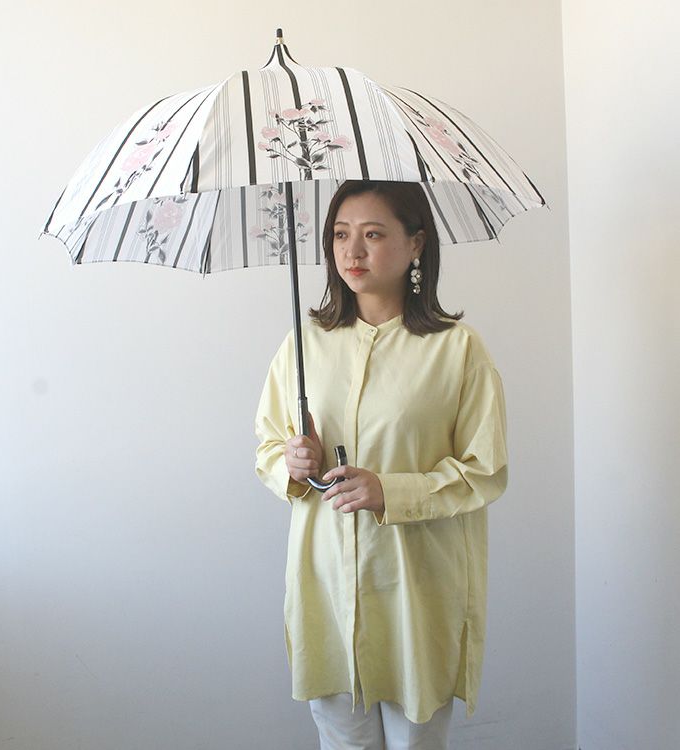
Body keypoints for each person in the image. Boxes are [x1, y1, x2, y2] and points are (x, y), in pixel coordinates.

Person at [254, 180, 508, 750]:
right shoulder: (305, 345)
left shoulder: (457, 350)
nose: (352, 251)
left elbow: (484, 470)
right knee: (341, 741)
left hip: (416, 587)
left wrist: (389, 491)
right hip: (327, 585)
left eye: (373, 235)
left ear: (416, 243)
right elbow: (268, 446)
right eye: (340, 235)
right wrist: (292, 461)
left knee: (416, 741)